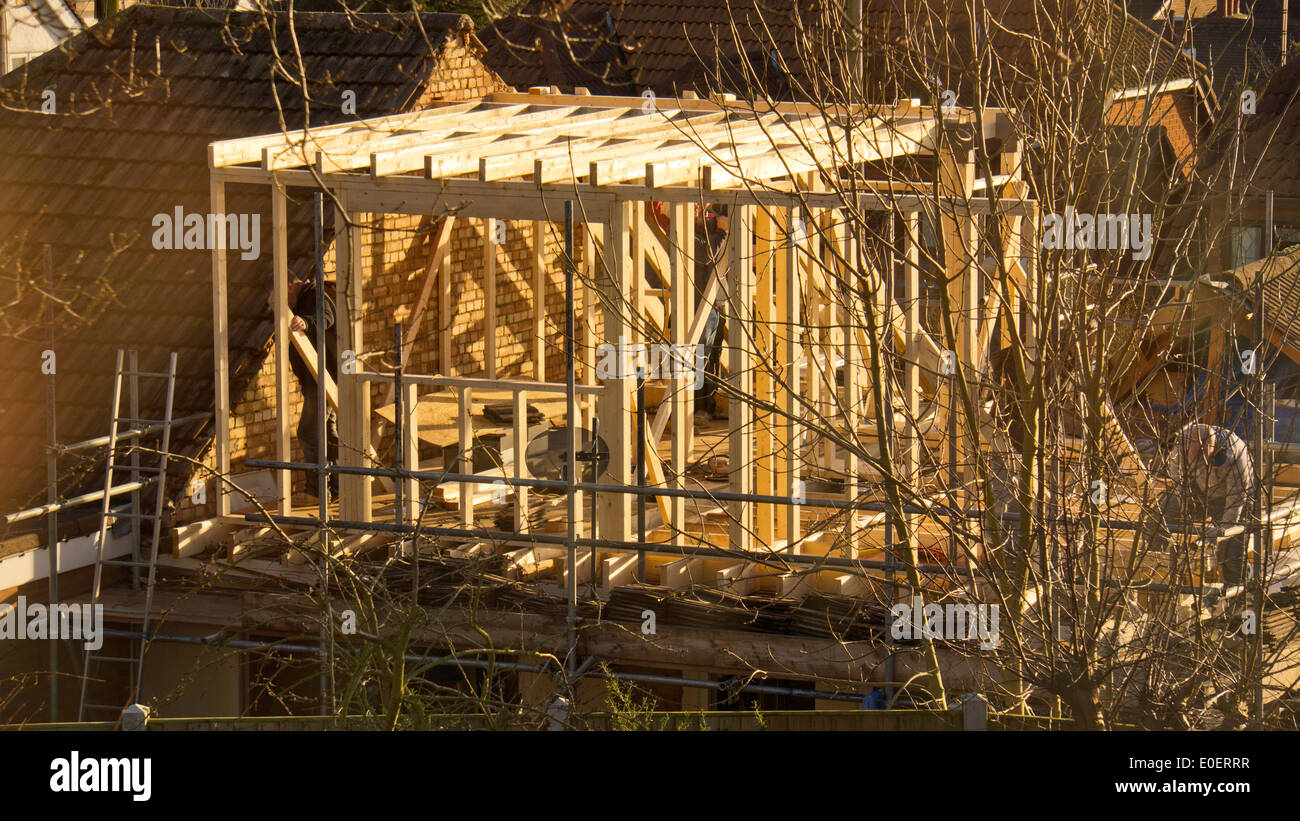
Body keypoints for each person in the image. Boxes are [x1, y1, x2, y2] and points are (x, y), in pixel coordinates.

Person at [1151, 422, 1255, 584]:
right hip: (1199, 490)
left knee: (1232, 554)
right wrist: (1184, 500)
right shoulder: (1182, 443)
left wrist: (1221, 535)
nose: (1202, 463)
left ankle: (1238, 596)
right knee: (1159, 518)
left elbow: (1236, 501)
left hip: (1232, 498)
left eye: (1206, 458)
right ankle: (1153, 570)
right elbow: (1175, 474)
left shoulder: (1236, 454)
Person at [278, 276, 339, 498]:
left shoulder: (314, 295)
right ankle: (338, 486)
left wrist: (306, 322)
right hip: (318, 379)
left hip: (323, 379)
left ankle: (317, 492)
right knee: (327, 433)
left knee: (308, 432)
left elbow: (326, 318)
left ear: (289, 285)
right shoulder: (303, 299)